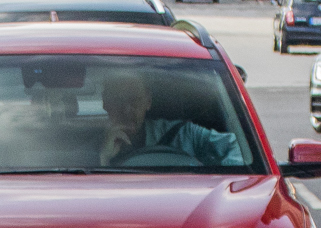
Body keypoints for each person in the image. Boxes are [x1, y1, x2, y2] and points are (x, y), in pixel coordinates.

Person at [97, 70, 244, 169]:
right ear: (105, 103)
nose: (127, 109)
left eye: (134, 100)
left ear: (148, 102)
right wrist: (103, 159)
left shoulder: (183, 134)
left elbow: (236, 146)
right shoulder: (86, 144)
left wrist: (224, 177)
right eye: (118, 100)